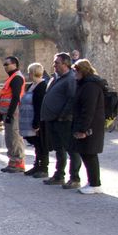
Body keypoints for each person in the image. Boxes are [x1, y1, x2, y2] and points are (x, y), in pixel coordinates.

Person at [40, 52, 82, 188]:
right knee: (59, 149)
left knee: (71, 149)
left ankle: (75, 177)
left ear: (65, 64)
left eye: (57, 63)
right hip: (53, 119)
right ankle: (59, 175)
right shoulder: (56, 78)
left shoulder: (70, 79)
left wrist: (63, 115)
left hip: (63, 121)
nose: (54, 65)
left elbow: (72, 99)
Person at [71, 59, 106, 194]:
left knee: (90, 153)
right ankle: (92, 181)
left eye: (76, 71)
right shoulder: (85, 84)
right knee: (86, 153)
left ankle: (95, 183)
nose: (74, 74)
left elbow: (88, 109)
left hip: (91, 126)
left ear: (82, 71)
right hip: (89, 124)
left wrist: (83, 129)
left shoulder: (90, 86)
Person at [0, 55, 26, 173]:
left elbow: (15, 97)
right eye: (4, 64)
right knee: (9, 137)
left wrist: (9, 114)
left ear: (14, 64)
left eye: (7, 64)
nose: (5, 67)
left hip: (13, 112)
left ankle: (18, 162)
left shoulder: (16, 78)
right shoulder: (12, 78)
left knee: (14, 137)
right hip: (8, 112)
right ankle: (13, 161)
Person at [20, 62, 49, 177]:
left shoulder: (42, 86)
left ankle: (43, 167)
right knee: (36, 145)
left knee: (41, 144)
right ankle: (37, 165)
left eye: (29, 72)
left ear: (33, 73)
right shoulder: (31, 85)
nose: (28, 74)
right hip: (28, 118)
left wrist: (36, 123)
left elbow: (39, 106)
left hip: (37, 120)